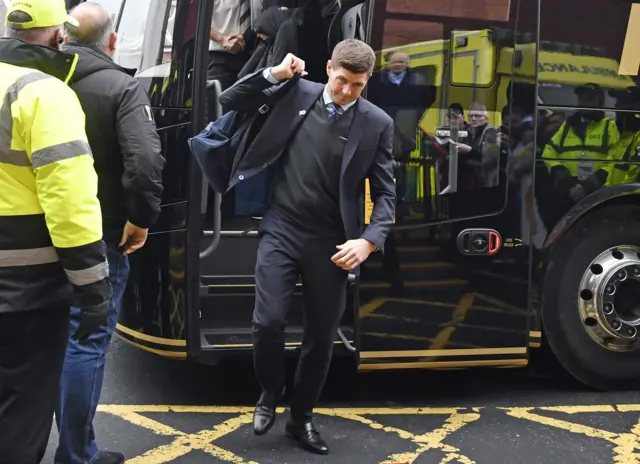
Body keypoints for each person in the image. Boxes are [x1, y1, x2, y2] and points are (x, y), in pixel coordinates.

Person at [219, 39, 396, 455]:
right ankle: (269, 391)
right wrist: (274, 73)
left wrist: (368, 241)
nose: (347, 91)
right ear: (329, 67)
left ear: (367, 80)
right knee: (268, 322)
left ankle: (301, 418)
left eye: (358, 84)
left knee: (321, 337)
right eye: (341, 80)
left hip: (333, 240)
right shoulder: (295, 92)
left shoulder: (377, 122)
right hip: (282, 226)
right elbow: (231, 98)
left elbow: (387, 193)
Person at [0, 0, 113, 463]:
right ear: (58, 36)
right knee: (22, 410)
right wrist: (93, 288)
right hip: (26, 290)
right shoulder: (45, 93)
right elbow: (70, 202)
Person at [52, 3, 165, 464]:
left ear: (64, 39)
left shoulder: (39, 83)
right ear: (112, 41)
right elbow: (144, 165)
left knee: (48, 338)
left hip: (37, 232)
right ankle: (78, 455)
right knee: (86, 341)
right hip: (99, 236)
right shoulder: (122, 87)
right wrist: (140, 220)